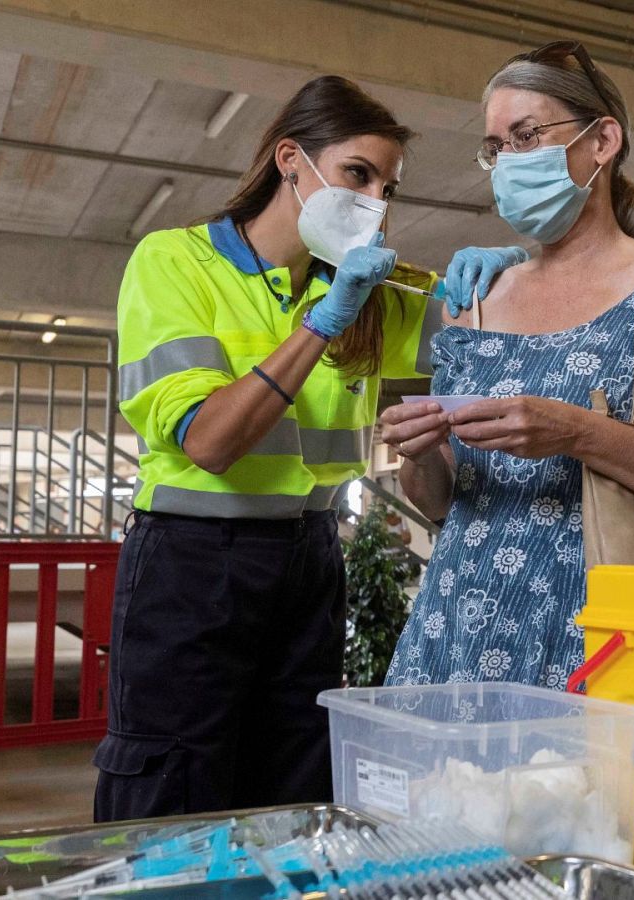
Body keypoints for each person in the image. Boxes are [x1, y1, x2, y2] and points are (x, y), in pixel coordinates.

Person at [100, 76, 445, 821]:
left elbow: (490, 331)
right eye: (358, 174)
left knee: (293, 780)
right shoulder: (177, 263)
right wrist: (321, 324)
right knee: (173, 787)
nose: (376, 200)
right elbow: (213, 442)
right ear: (292, 159)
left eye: (389, 185)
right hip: (193, 561)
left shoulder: (370, 292)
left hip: (311, 557)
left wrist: (497, 282)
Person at [376, 40, 634, 688]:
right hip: (454, 638)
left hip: (598, 642)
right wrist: (416, 454)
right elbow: (440, 504)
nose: (507, 163)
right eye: (496, 147)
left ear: (601, 141)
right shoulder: (477, 304)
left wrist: (578, 433)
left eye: (527, 136)